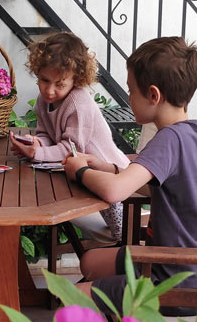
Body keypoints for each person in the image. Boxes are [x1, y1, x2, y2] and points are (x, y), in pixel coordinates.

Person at [63, 36, 197, 315]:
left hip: (175, 282)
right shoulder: (194, 133)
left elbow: (115, 192)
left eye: (131, 91)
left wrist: (81, 171)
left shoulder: (168, 139)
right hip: (196, 272)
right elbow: (161, 188)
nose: (128, 98)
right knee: (90, 262)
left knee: (72, 297)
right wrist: (110, 168)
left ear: (153, 95)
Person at [10, 31, 129, 242]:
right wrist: (36, 142)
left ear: (77, 79)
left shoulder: (78, 102)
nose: (49, 90)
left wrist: (38, 153)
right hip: (81, 172)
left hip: (109, 173)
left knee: (121, 235)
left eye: (60, 84)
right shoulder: (43, 100)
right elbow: (46, 133)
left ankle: (132, 255)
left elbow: (71, 148)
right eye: (44, 80)